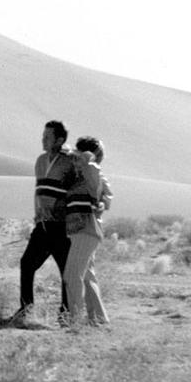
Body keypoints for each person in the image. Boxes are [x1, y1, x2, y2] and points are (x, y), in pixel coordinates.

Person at [14, 120, 76, 324]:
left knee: (66, 271)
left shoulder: (71, 162)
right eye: (43, 135)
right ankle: (26, 309)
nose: (43, 139)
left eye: (47, 136)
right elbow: (38, 191)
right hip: (42, 225)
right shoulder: (40, 161)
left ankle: (66, 314)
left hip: (61, 227)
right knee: (27, 264)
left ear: (59, 140)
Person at [62, 136, 111, 328]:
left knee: (72, 275)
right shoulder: (79, 176)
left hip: (87, 229)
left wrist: (88, 158)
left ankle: (74, 320)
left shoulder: (93, 172)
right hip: (79, 230)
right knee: (88, 275)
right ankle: (98, 318)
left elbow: (106, 197)